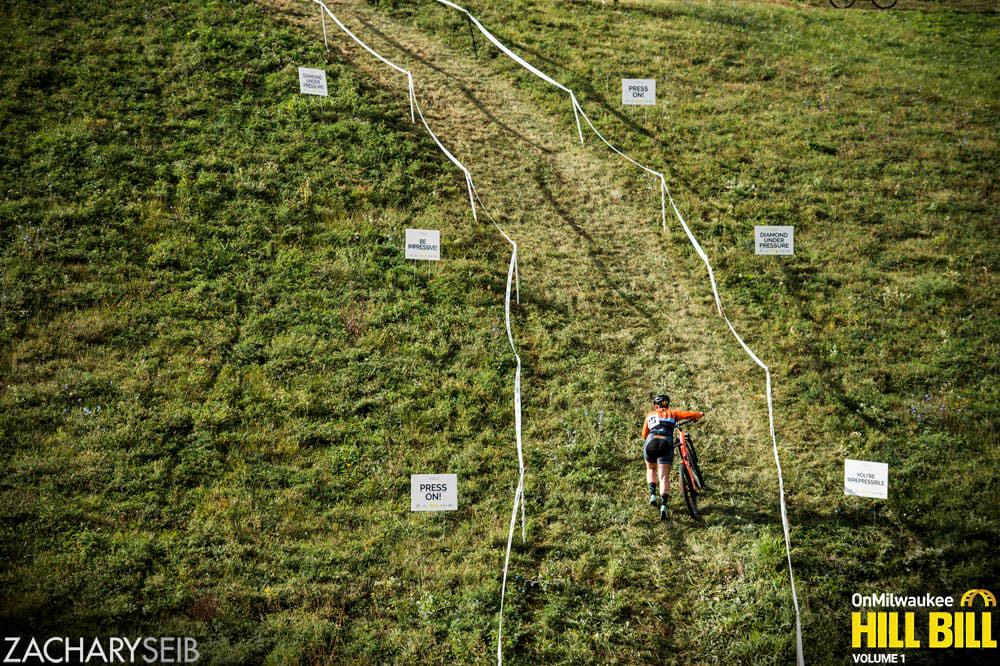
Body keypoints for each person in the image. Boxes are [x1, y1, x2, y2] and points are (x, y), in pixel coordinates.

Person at [642, 394, 704, 521]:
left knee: (651, 469)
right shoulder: (673, 413)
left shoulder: (649, 415)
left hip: (651, 442)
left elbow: (644, 435)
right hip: (666, 443)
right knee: (664, 476)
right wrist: (699, 414)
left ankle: (652, 494)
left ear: (656, 406)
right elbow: (688, 414)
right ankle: (664, 506)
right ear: (667, 404)